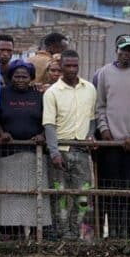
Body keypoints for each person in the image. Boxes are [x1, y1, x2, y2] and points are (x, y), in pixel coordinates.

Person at [94, 34, 130, 240]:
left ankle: (128, 235)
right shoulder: (104, 73)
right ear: (116, 51)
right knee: (110, 190)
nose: (127, 54)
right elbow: (100, 105)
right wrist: (104, 130)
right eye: (123, 50)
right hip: (110, 143)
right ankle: (113, 233)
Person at [43, 50, 97, 241]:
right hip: (61, 152)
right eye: (68, 66)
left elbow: (92, 119)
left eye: (75, 65)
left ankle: (76, 231)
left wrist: (90, 136)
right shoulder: (52, 93)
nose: (72, 69)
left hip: (82, 151)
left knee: (83, 195)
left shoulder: (89, 88)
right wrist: (54, 152)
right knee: (60, 195)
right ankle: (63, 233)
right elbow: (49, 124)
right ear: (62, 66)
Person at [0, 59, 47, 238]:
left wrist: (42, 136)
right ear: (11, 77)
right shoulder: (2, 93)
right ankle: (11, 236)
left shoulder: (39, 95)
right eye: (17, 76)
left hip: (33, 154)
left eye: (24, 76)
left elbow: (49, 119)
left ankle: (33, 236)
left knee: (33, 197)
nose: (20, 79)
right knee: (10, 197)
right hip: (8, 154)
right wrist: (2, 133)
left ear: (31, 77)